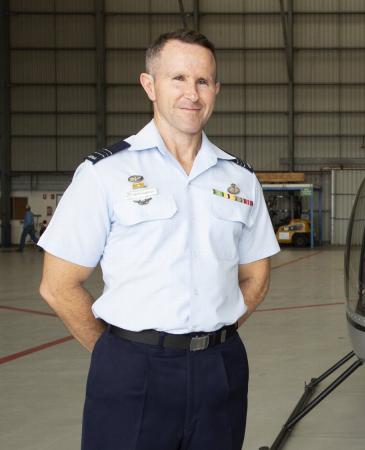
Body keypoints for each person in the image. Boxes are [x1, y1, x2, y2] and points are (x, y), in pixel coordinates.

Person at [38, 29, 280, 450]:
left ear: (216, 90)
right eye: (178, 79)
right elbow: (58, 285)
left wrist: (212, 329)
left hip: (219, 368)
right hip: (131, 369)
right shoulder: (105, 174)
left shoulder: (240, 179)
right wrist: (115, 355)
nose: (192, 93)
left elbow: (257, 275)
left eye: (203, 81)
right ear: (149, 85)